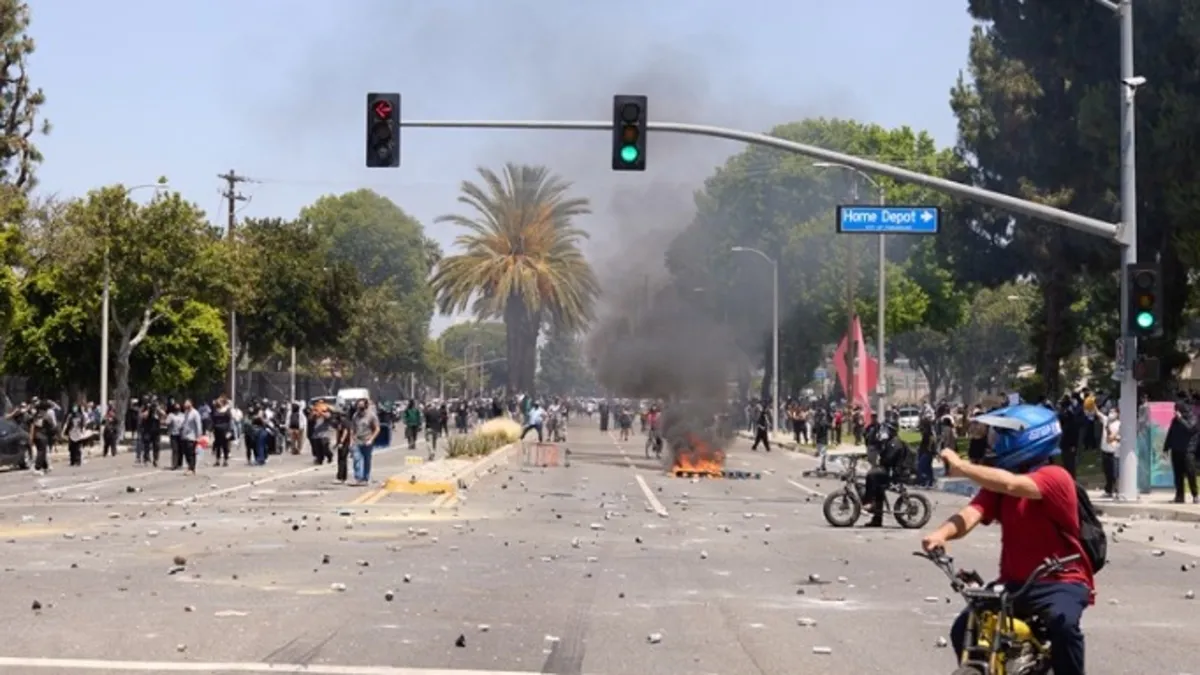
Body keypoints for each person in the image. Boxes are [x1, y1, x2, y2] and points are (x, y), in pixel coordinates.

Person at [919, 404, 1093, 675]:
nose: (996, 442)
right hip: (1014, 582)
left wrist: (963, 467)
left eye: (1002, 435)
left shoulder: (1055, 477)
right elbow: (972, 513)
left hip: (1060, 580)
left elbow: (1012, 484)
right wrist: (941, 534)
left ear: (1028, 437)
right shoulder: (999, 486)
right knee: (963, 628)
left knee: (1064, 625)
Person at [351, 398, 380, 486]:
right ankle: (358, 478)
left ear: (366, 406)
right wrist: (351, 440)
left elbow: (377, 429)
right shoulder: (355, 416)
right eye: (358, 407)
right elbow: (353, 428)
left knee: (367, 460)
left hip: (367, 440)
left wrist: (371, 439)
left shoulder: (371, 416)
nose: (360, 409)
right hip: (357, 441)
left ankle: (365, 478)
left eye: (362, 407)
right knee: (356, 459)